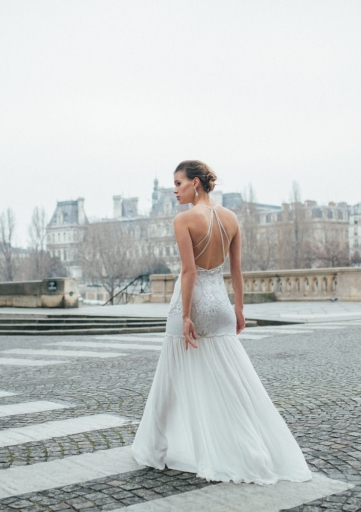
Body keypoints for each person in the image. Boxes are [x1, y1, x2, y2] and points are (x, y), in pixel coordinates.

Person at [132, 160, 312, 485]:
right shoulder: (231, 218)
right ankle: (252, 449)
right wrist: (239, 309)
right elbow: (237, 270)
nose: (174, 190)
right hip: (222, 304)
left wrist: (186, 315)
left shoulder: (184, 219)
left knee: (170, 376)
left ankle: (155, 447)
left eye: (178, 183)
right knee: (234, 379)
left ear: (196, 183)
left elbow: (189, 272)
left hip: (193, 302)